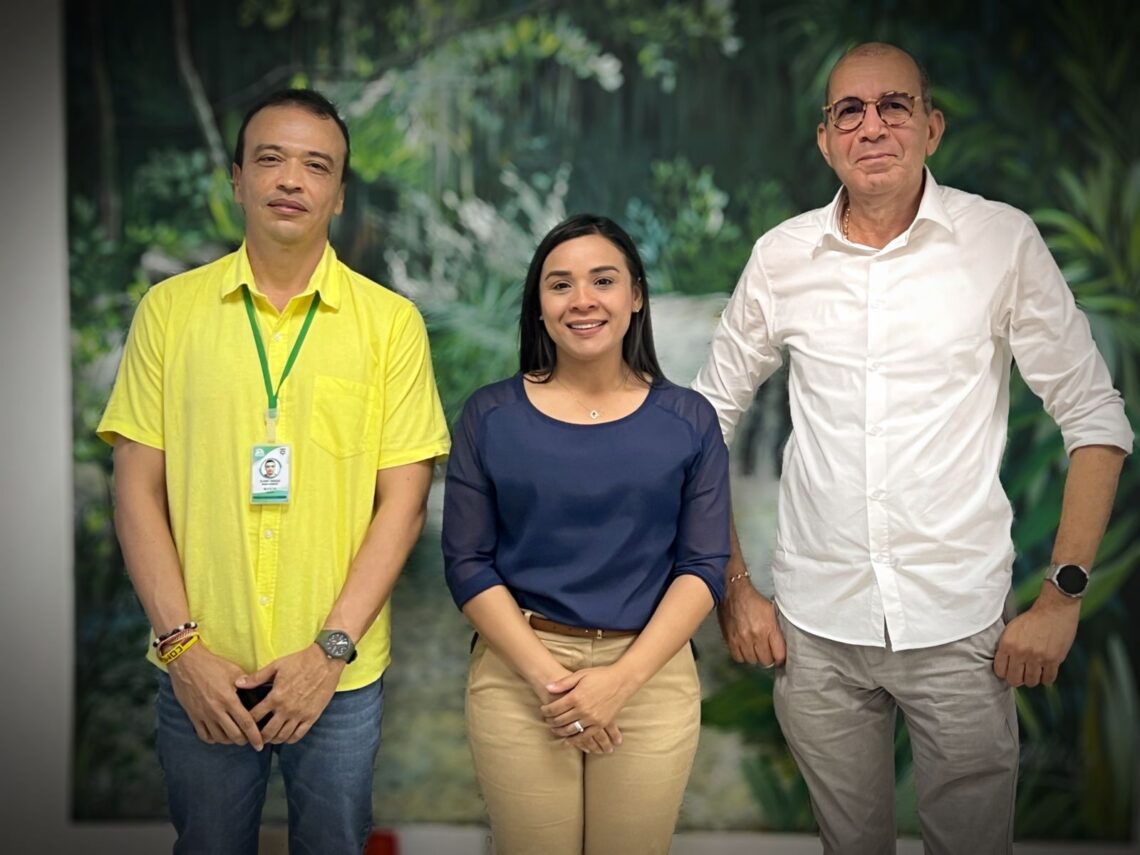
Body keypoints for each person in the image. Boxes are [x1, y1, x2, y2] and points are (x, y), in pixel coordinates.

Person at [692, 42, 1132, 854]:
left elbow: (1095, 418)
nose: (872, 127)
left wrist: (1062, 597)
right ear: (826, 139)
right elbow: (703, 423)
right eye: (849, 112)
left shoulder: (1001, 242)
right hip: (816, 627)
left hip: (959, 624)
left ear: (932, 127)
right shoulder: (781, 257)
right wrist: (735, 586)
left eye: (894, 106)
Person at [97, 88, 450, 854]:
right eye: (271, 159)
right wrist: (183, 650)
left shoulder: (390, 324)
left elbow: (403, 503)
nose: (292, 179)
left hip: (337, 675)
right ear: (237, 179)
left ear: (339, 193)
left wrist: (329, 652)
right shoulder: (168, 312)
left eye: (316, 165)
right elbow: (135, 490)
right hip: (203, 667)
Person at [441, 214, 730, 854]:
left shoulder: (689, 419)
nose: (582, 301)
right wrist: (556, 684)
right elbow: (467, 563)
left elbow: (704, 565)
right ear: (538, 305)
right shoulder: (490, 415)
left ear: (636, 296)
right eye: (560, 284)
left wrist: (618, 683)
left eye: (603, 280)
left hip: (650, 677)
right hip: (522, 673)